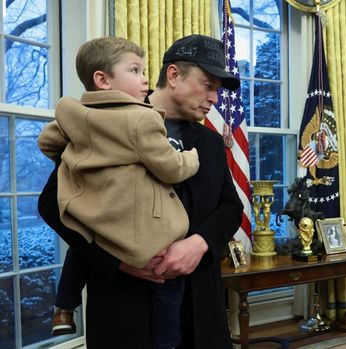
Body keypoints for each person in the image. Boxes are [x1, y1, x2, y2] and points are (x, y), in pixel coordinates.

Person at [38, 34, 243, 349]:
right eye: (208, 85)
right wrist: (119, 260)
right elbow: (54, 204)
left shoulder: (211, 144)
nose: (214, 98)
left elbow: (230, 207)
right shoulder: (101, 125)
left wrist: (198, 244)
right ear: (173, 75)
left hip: (201, 310)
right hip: (124, 307)